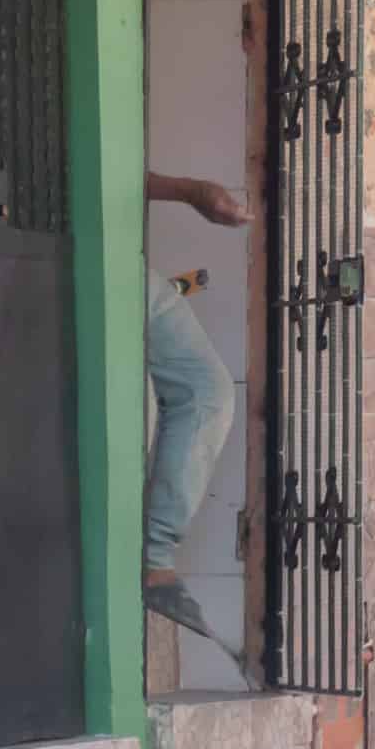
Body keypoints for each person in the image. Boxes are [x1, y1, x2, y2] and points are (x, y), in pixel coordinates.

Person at [143, 173, 250, 640]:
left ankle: (155, 558)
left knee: (206, 391)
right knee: (179, 397)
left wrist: (192, 193)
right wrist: (191, 192)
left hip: (123, 268)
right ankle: (149, 557)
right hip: (74, 250)